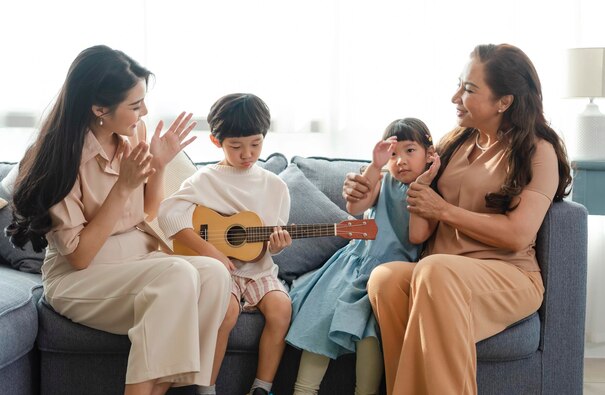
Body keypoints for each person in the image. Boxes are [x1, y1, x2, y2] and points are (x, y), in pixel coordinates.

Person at [343, 43, 572, 394]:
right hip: (440, 274)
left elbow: (517, 234)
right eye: (459, 85)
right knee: (386, 278)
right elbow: (401, 175)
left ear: (503, 102)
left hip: (507, 275)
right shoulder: (456, 142)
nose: (455, 97)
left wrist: (444, 210)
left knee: (436, 271)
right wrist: (366, 185)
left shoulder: (538, 151)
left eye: (468, 89)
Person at [6, 45, 233, 395]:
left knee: (214, 274)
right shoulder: (56, 157)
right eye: (134, 105)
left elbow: (148, 212)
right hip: (82, 278)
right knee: (177, 273)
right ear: (99, 109)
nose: (144, 112)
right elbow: (79, 257)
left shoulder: (133, 136)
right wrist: (123, 186)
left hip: (138, 261)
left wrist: (158, 165)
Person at [287, 118, 439, 395]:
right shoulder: (383, 180)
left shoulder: (430, 193)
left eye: (410, 151)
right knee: (322, 318)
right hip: (355, 263)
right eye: (394, 153)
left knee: (369, 336)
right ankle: (303, 390)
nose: (401, 160)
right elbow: (355, 204)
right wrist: (376, 165)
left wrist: (423, 184)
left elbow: (417, 236)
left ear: (429, 154)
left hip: (391, 276)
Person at [158, 93, 293, 395]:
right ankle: (206, 388)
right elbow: (168, 214)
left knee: (282, 308)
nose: (247, 154)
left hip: (260, 272)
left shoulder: (276, 187)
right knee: (226, 312)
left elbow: (267, 244)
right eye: (236, 146)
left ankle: (262, 387)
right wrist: (211, 252)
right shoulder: (205, 180)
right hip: (221, 273)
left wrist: (278, 245)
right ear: (217, 142)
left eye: (255, 144)